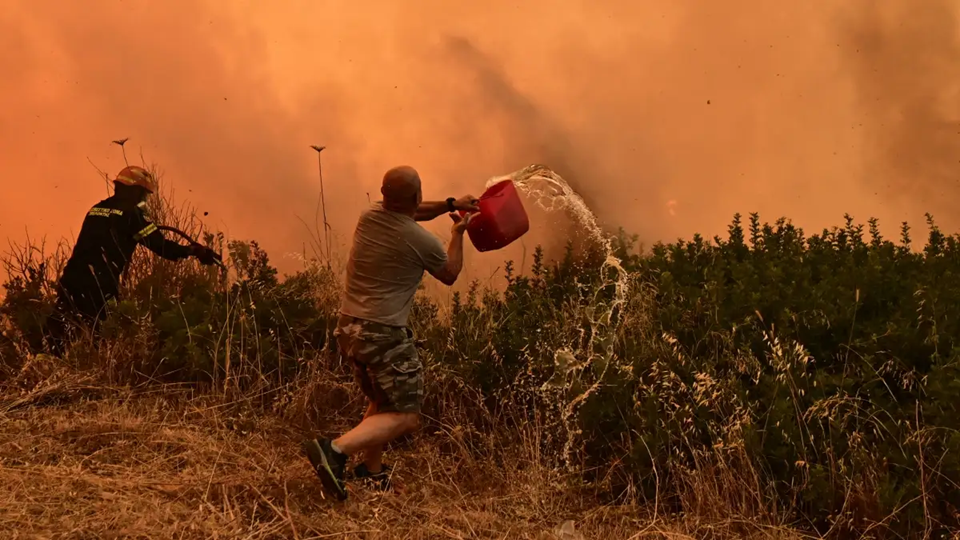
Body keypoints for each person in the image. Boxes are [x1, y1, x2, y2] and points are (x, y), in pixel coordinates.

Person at [302, 165, 479, 500]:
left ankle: (373, 474)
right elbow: (450, 272)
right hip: (382, 333)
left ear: (384, 195)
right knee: (405, 416)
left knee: (381, 402)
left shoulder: (370, 215)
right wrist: (458, 233)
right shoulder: (420, 239)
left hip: (349, 329)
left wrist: (451, 204)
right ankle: (334, 451)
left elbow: (412, 211)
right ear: (417, 195)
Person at [45, 165, 218, 355]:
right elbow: (162, 247)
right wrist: (193, 251)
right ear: (135, 191)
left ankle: (44, 363)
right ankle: (96, 370)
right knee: (102, 339)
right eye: (144, 195)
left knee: (60, 332)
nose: (144, 200)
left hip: (71, 278)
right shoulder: (132, 215)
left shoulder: (96, 209)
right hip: (99, 285)